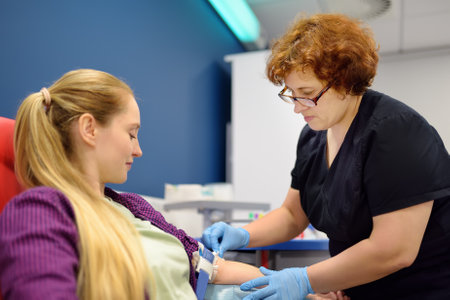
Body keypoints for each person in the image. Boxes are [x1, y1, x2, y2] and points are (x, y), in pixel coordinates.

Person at [202, 13, 450, 300]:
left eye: (307, 94)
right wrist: (242, 235)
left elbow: (394, 251)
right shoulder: (314, 136)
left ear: (345, 80)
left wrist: (305, 279)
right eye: (292, 94)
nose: (298, 108)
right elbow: (292, 215)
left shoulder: (396, 131)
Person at [0, 69, 264, 300]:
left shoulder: (131, 206)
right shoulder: (39, 212)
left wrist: (283, 283)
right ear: (89, 129)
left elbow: (208, 265)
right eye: (131, 134)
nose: (138, 150)